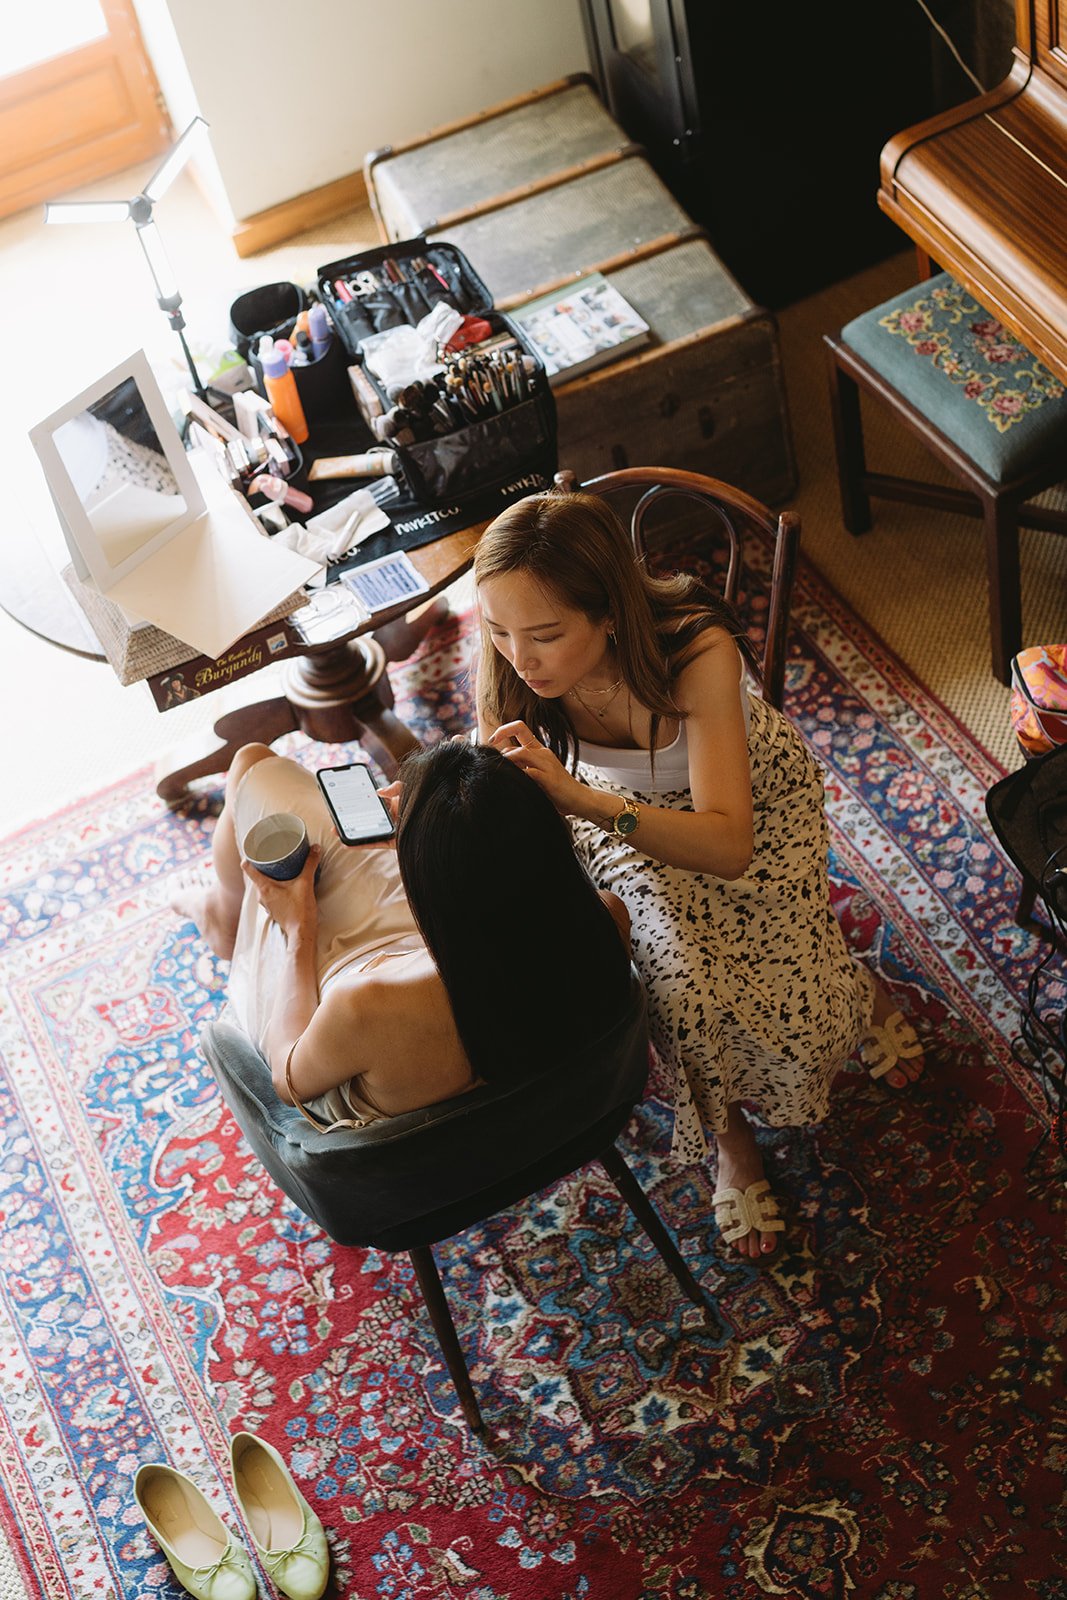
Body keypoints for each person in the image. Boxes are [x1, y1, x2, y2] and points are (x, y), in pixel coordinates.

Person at [473, 489, 924, 1261]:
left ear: (609, 612)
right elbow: (513, 785)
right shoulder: (515, 659)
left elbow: (727, 846)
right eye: (497, 629)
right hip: (615, 825)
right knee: (678, 990)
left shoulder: (696, 649)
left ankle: (852, 983)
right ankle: (732, 1140)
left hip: (748, 810)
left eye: (545, 634)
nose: (520, 655)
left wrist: (580, 796)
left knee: (801, 1004)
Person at [173, 738, 632, 1128]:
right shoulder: (605, 920)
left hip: (359, 1007)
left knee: (254, 764)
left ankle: (220, 916)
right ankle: (221, 908)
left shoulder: (365, 1006)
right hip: (445, 966)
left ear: (434, 888)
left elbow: (285, 1077)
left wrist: (299, 931)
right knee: (292, 796)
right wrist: (431, 840)